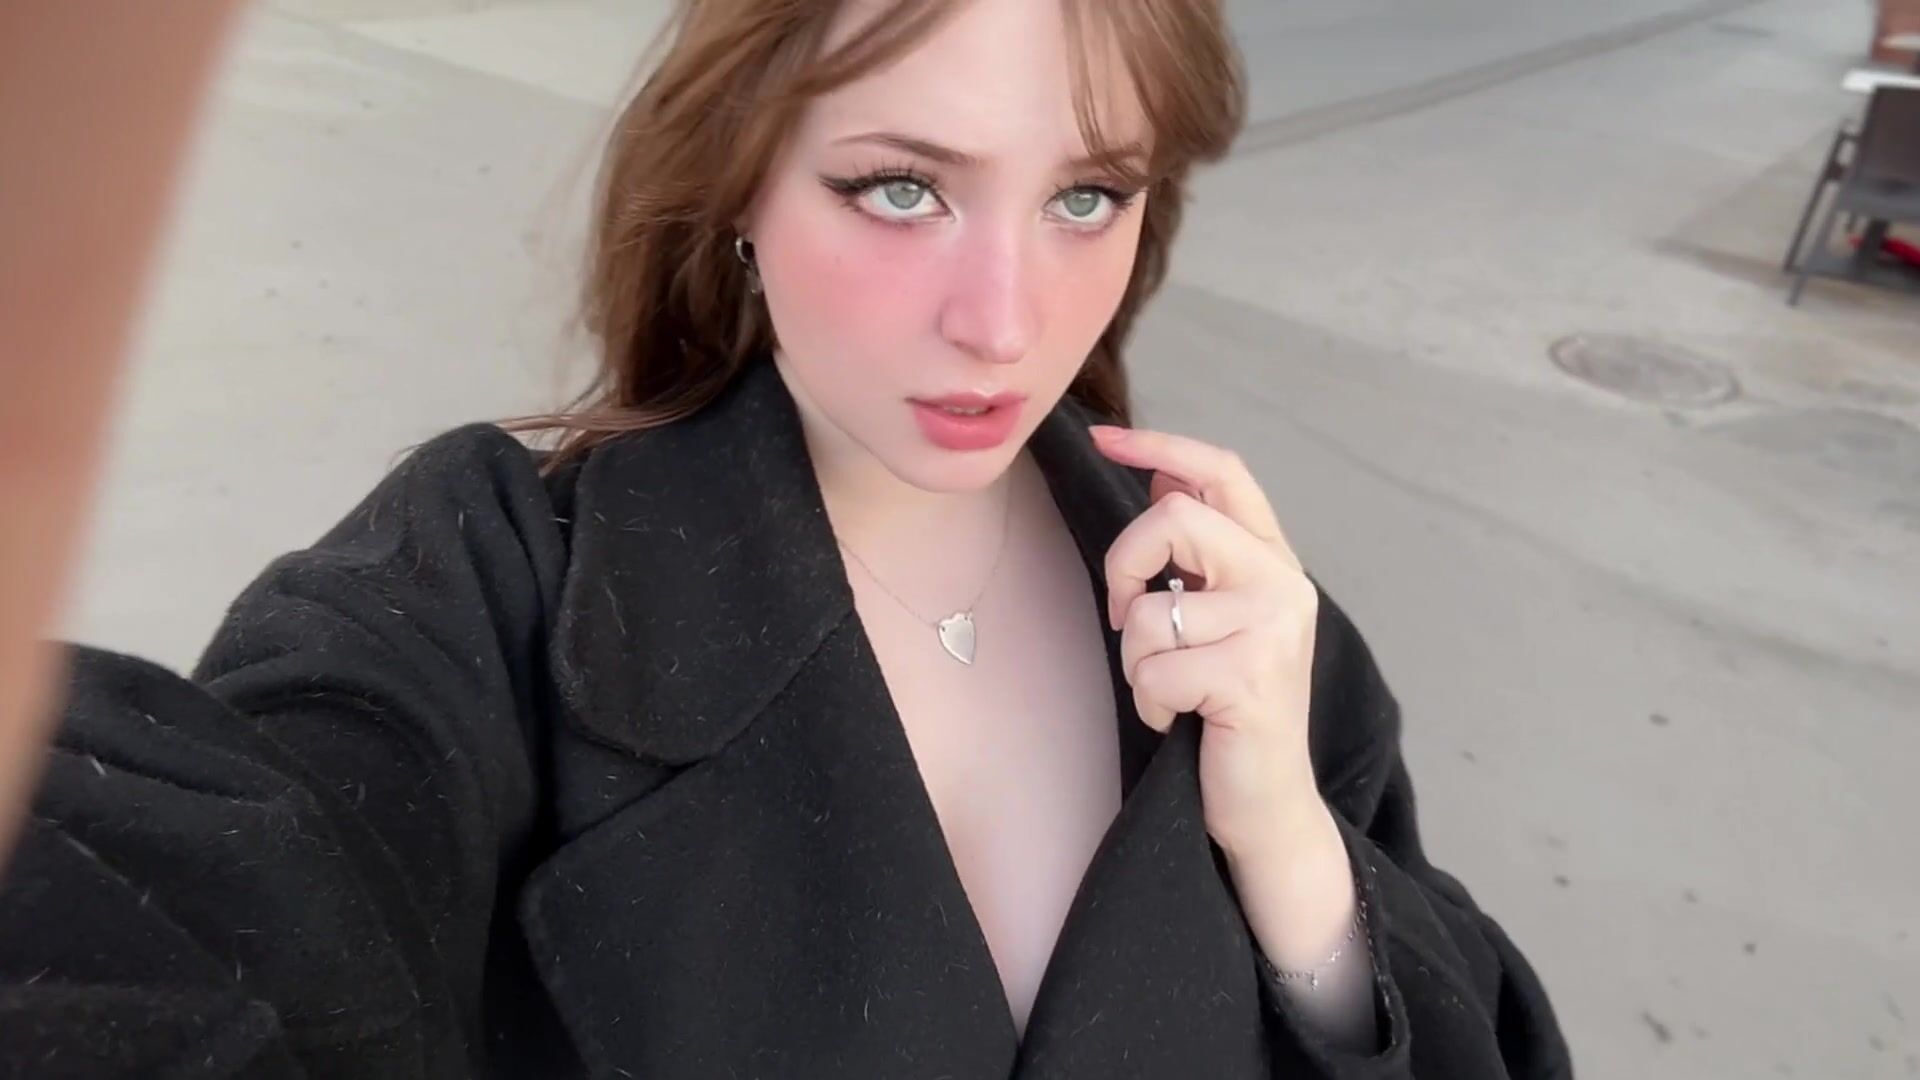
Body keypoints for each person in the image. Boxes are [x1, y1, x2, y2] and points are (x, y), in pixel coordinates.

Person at [0, 0, 1573, 1076]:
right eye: (901, 189)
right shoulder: (492, 586)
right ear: (739, 184)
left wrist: (1296, 858)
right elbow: (208, 886)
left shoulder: (1234, 612)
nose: (1006, 321)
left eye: (1087, 196)